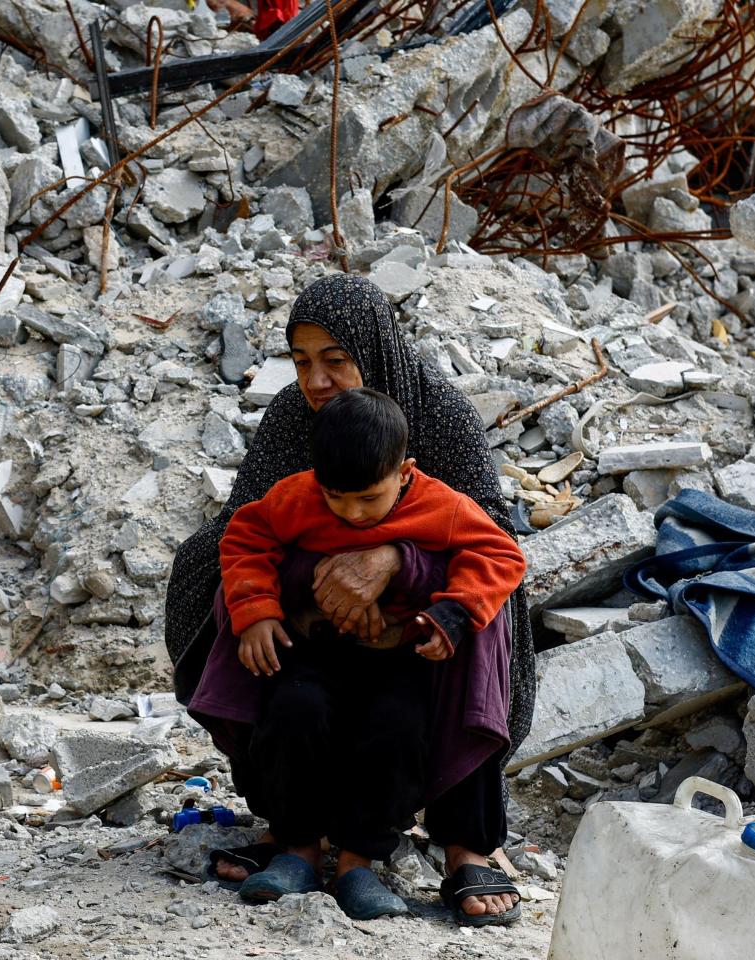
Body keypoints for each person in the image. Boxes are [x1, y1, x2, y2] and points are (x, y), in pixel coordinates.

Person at [164, 273, 534, 925]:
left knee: (490, 610)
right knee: (214, 577)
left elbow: (495, 540)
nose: (315, 381)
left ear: (376, 354)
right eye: (301, 362)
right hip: (310, 630)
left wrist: (397, 563)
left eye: (335, 361)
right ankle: (289, 832)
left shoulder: (438, 416)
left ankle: (465, 841)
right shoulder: (292, 421)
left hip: (417, 631)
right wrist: (303, 588)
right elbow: (244, 527)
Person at [211, 388, 525, 919]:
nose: (353, 514)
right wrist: (257, 609)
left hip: (399, 663)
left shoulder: (440, 505)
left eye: (368, 500)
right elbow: (245, 537)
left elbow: (499, 553)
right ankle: (297, 851)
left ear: (404, 473)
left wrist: (452, 611)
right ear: (317, 479)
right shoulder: (295, 498)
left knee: (398, 731)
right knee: (295, 714)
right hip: (316, 654)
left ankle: (358, 862)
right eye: (337, 499)